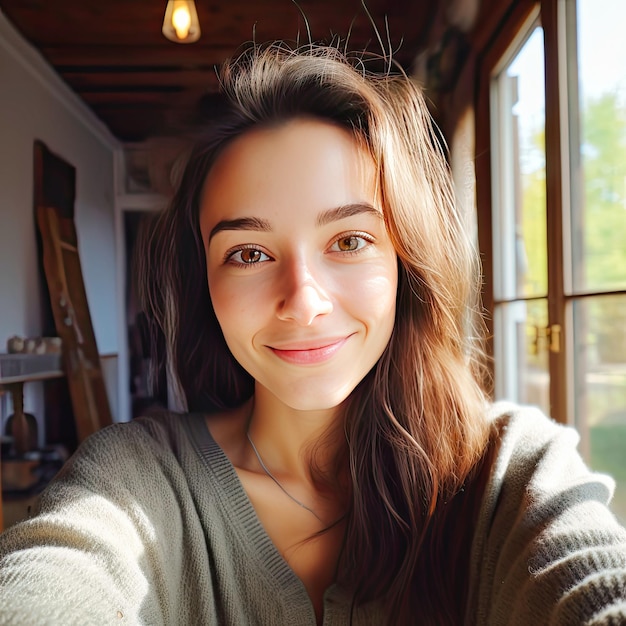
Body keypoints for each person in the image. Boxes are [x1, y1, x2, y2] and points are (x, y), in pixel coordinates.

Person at [1, 42, 625, 626]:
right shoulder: (137, 481)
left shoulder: (510, 475)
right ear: (206, 287)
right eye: (248, 253)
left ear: (406, 260)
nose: (302, 302)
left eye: (349, 241)